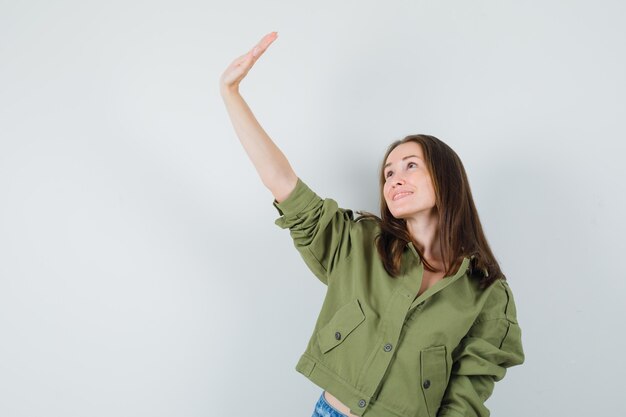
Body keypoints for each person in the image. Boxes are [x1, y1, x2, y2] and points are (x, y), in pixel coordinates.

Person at [219, 32, 525, 417]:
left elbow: (470, 390)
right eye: (388, 172)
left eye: (410, 165)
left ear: (446, 177)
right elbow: (283, 183)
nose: (394, 178)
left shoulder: (487, 292)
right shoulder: (359, 242)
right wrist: (231, 93)